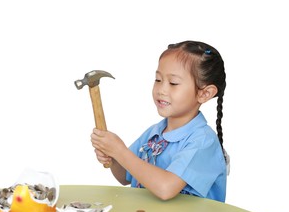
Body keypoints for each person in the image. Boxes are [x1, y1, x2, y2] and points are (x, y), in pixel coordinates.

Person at [91, 40, 229, 202]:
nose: (161, 90)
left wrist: (121, 151)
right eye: (158, 80)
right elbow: (124, 176)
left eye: (173, 83)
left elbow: (166, 188)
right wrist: (113, 157)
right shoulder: (155, 133)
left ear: (205, 93)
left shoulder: (203, 141)